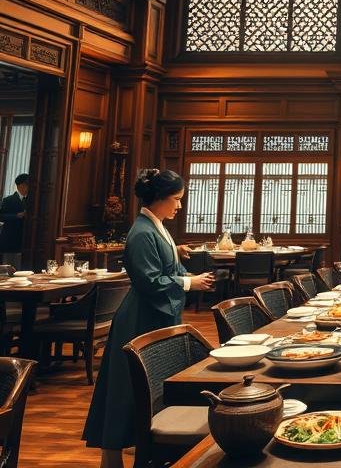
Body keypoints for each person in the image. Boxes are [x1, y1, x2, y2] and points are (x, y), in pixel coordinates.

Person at [83, 169, 215, 468]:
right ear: (158, 199)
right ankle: (113, 455)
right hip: (140, 319)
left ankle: (145, 444)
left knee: (150, 387)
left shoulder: (155, 226)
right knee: (128, 388)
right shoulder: (141, 232)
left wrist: (175, 252)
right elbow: (150, 281)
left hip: (155, 315)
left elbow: (160, 264)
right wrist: (188, 283)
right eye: (176, 199)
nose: (179, 206)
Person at [0, 173, 30, 269]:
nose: (28, 188)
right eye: (26, 185)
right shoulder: (9, 200)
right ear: (20, 185)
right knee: (8, 268)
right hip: (10, 237)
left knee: (21, 268)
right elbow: (0, 216)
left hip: (24, 239)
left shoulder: (31, 201)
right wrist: (16, 216)